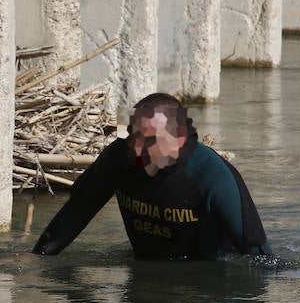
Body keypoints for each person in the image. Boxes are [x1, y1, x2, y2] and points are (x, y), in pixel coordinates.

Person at [31, 92, 272, 260]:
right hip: (144, 270)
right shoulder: (118, 158)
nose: (137, 150)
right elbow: (77, 210)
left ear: (178, 140)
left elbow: (260, 258)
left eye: (149, 142)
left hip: (206, 281)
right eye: (135, 138)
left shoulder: (211, 175)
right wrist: (37, 257)